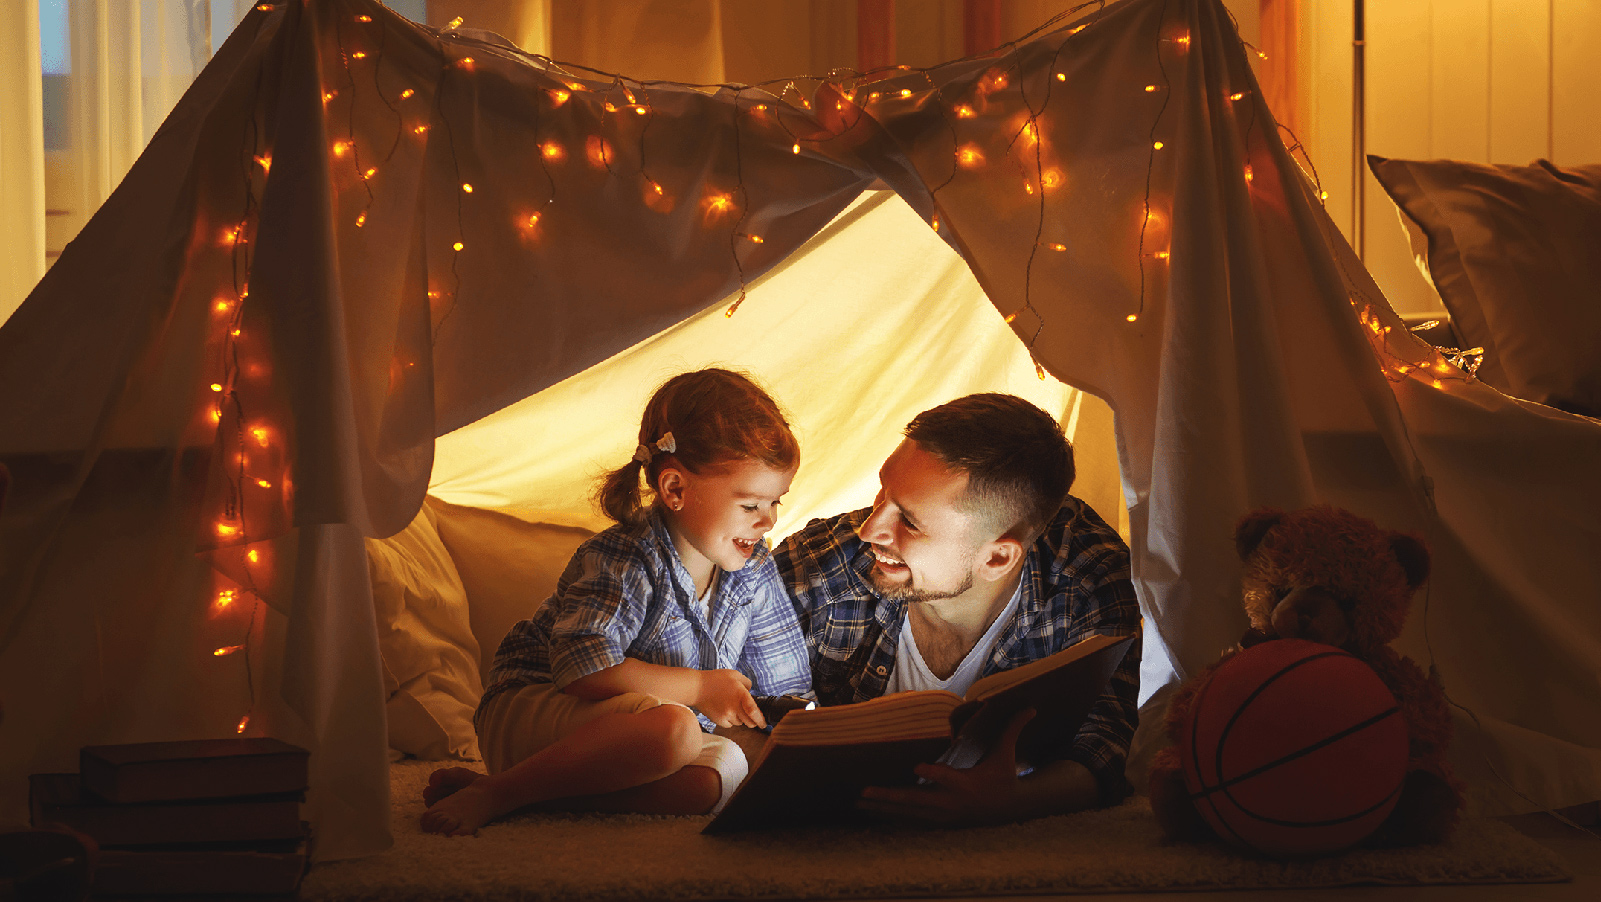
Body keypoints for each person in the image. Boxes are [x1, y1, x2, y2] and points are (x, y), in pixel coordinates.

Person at [421, 368, 813, 835]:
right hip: (539, 711)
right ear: (675, 489)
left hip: (637, 740)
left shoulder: (754, 568)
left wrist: (785, 727)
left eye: (776, 503)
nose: (767, 521)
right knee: (675, 729)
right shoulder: (627, 557)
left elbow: (785, 688)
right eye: (751, 506)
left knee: (723, 773)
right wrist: (700, 689)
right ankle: (500, 791)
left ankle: (525, 795)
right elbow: (582, 671)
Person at [773, 393, 1141, 826]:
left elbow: (1105, 746)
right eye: (882, 493)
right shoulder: (820, 566)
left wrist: (1016, 801)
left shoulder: (1087, 579)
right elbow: (726, 697)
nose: (870, 529)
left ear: (997, 558)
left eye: (909, 521)